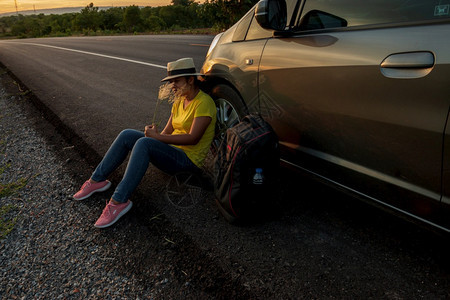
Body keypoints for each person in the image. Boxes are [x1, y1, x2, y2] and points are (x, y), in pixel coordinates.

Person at [72, 57, 217, 228]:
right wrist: (155, 135)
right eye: (171, 82)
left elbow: (193, 138)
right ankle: (97, 180)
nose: (172, 86)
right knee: (127, 134)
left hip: (188, 162)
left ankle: (118, 202)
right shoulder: (179, 101)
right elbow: (166, 133)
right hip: (172, 154)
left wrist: (156, 138)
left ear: (190, 80)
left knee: (144, 143)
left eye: (176, 81)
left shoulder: (204, 103)